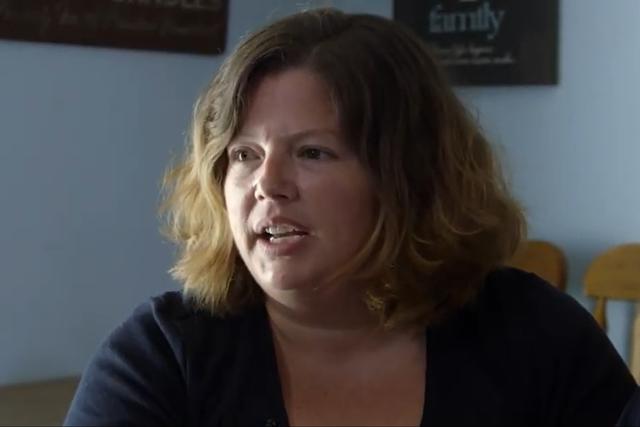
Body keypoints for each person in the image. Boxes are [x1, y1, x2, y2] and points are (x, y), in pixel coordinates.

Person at [64, 8, 636, 427]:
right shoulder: (161, 356)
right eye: (244, 155)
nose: (268, 184)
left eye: (313, 152)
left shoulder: (537, 336)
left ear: (408, 177)